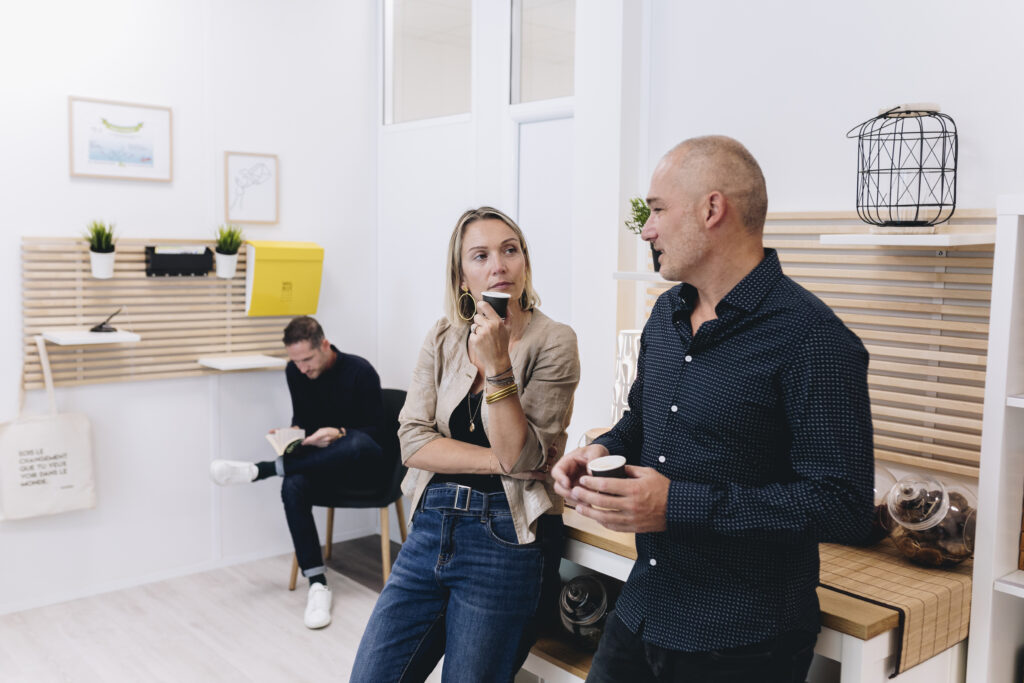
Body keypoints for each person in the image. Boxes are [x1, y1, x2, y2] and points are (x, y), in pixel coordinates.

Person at [552, 136, 874, 683]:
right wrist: (600, 450)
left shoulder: (813, 338)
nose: (646, 229)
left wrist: (677, 505)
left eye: (656, 210)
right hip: (644, 607)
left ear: (711, 209)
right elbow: (641, 421)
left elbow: (843, 505)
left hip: (743, 641)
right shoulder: (665, 315)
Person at [350, 207, 580, 683]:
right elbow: (412, 442)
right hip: (431, 522)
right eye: (481, 255)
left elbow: (522, 455)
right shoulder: (443, 336)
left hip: (506, 535)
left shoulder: (553, 341)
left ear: (525, 262)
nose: (499, 264)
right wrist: (503, 462)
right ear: (462, 276)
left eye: (510, 250)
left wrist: (498, 366)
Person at [209, 316, 386, 630]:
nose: (302, 368)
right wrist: (292, 435)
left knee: (356, 441)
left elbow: (378, 432)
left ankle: (262, 470)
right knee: (293, 485)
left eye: (307, 359)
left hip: (366, 464)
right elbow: (304, 419)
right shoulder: (295, 372)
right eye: (296, 361)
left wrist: (339, 431)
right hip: (322, 462)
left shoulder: (360, 371)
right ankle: (317, 582)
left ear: (325, 346)